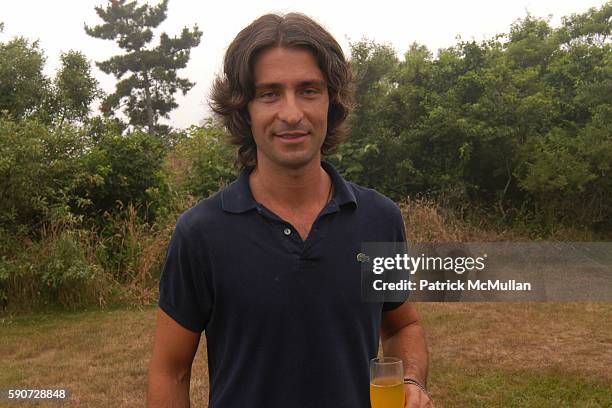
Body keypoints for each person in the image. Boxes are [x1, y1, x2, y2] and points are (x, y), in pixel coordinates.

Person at [147, 12, 432, 408]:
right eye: (269, 93)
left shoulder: (379, 219)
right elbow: (170, 371)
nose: (292, 113)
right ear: (243, 109)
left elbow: (404, 325)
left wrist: (412, 380)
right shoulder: (201, 233)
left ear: (333, 102)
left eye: (309, 90)